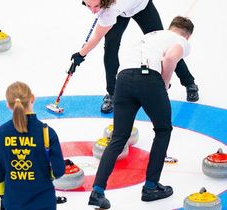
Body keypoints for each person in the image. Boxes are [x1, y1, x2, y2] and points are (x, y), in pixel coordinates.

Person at [87, 16, 195, 209]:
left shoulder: (150, 36)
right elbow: (170, 58)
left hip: (123, 79)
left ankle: (97, 191)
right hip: (148, 78)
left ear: (171, 27)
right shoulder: (181, 41)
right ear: (187, 36)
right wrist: (164, 83)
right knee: (163, 130)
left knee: (118, 138)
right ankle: (151, 187)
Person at [70, 0, 199, 114]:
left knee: (166, 43)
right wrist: (81, 53)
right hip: (120, 13)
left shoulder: (110, 9)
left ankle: (189, 83)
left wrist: (81, 54)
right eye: (88, 6)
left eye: (96, 6)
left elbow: (96, 37)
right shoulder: (107, 10)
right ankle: (112, 92)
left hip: (141, 6)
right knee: (110, 47)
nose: (93, 11)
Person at [0, 81, 65, 210]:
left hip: (13, 202)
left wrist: (4, 196)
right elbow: (58, 171)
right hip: (44, 202)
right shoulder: (46, 132)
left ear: (8, 105)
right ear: (32, 99)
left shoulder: (0, 133)